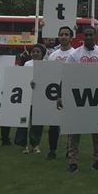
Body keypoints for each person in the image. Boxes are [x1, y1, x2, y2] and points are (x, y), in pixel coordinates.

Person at [65, 25, 98, 173]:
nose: (88, 37)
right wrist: (62, 95)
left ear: (95, 36)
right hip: (79, 96)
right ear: (82, 36)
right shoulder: (75, 54)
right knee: (75, 129)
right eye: (86, 35)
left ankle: (97, 160)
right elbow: (66, 75)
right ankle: (73, 161)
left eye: (91, 35)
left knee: (97, 129)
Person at [43, 26, 74, 160]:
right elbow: (46, 73)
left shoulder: (75, 54)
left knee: (70, 124)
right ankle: (52, 150)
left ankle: (70, 150)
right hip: (54, 93)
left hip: (70, 91)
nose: (63, 37)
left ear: (71, 37)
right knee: (53, 124)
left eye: (66, 34)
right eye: (61, 34)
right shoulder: (53, 55)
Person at [16, 44, 46, 154]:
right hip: (27, 95)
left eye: (38, 52)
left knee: (37, 122)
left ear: (42, 53)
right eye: (33, 51)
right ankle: (23, 144)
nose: (35, 54)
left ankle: (35, 144)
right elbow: (23, 78)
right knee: (23, 121)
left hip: (40, 96)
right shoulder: (27, 64)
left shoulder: (46, 64)